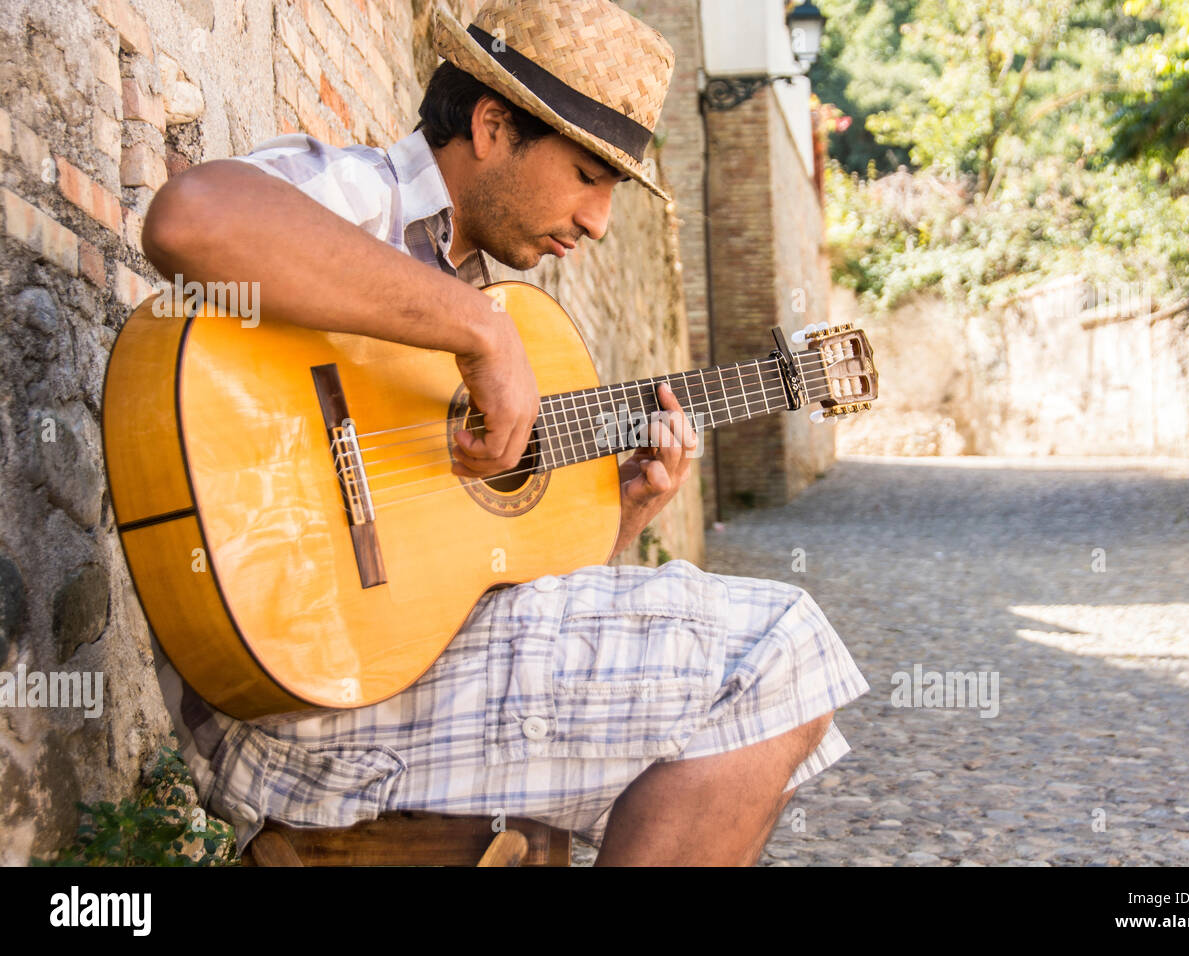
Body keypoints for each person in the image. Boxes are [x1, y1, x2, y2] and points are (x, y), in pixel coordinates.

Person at [139, 0, 868, 866]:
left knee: (755, 741)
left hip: (408, 672)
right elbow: (192, 217)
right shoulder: (366, 200)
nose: (599, 221)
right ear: (491, 125)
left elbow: (494, 591)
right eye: (589, 175)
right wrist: (477, 332)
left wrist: (626, 514)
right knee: (775, 651)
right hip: (296, 694)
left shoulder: (505, 314)